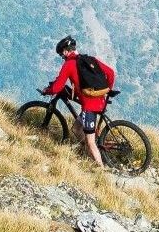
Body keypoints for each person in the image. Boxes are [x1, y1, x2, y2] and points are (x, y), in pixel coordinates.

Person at [42, 36, 118, 167]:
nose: (62, 57)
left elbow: (57, 87)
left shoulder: (69, 64)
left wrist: (47, 91)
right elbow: (111, 73)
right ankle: (88, 154)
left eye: (61, 54)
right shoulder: (90, 60)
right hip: (100, 99)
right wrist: (107, 91)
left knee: (91, 141)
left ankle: (101, 171)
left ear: (66, 51)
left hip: (90, 106)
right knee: (77, 128)